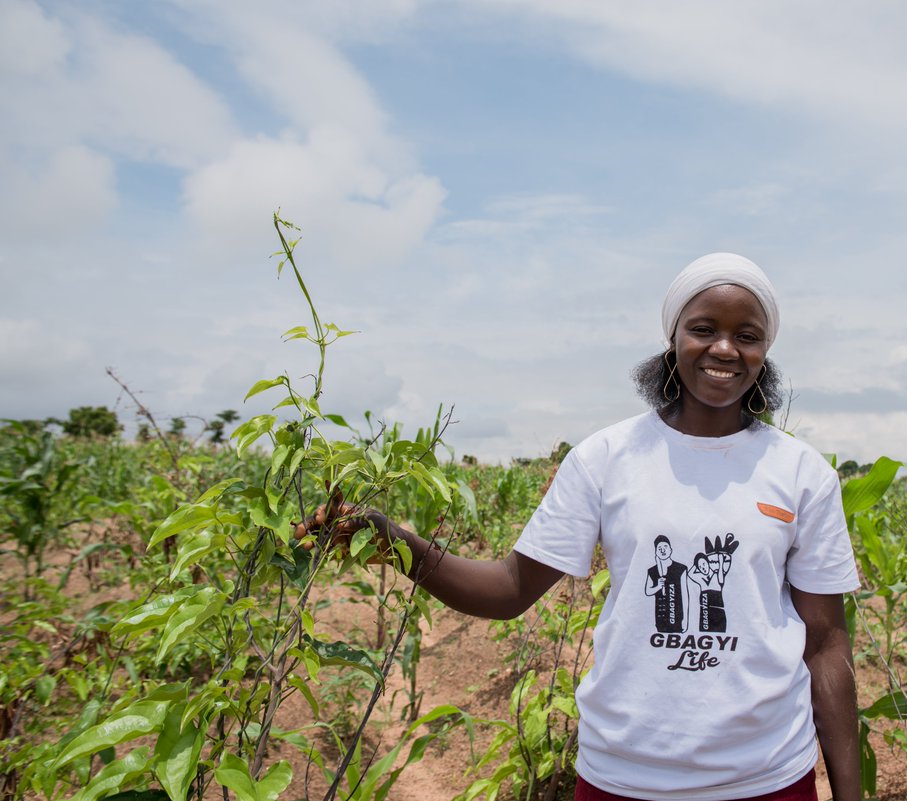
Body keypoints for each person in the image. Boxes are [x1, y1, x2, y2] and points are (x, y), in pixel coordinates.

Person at [300, 253, 862, 801]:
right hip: (624, 774)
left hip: (764, 777)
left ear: (766, 350)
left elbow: (826, 643)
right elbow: (509, 590)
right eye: (704, 329)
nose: (724, 348)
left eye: (747, 335)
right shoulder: (607, 457)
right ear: (673, 339)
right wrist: (397, 542)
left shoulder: (800, 472)